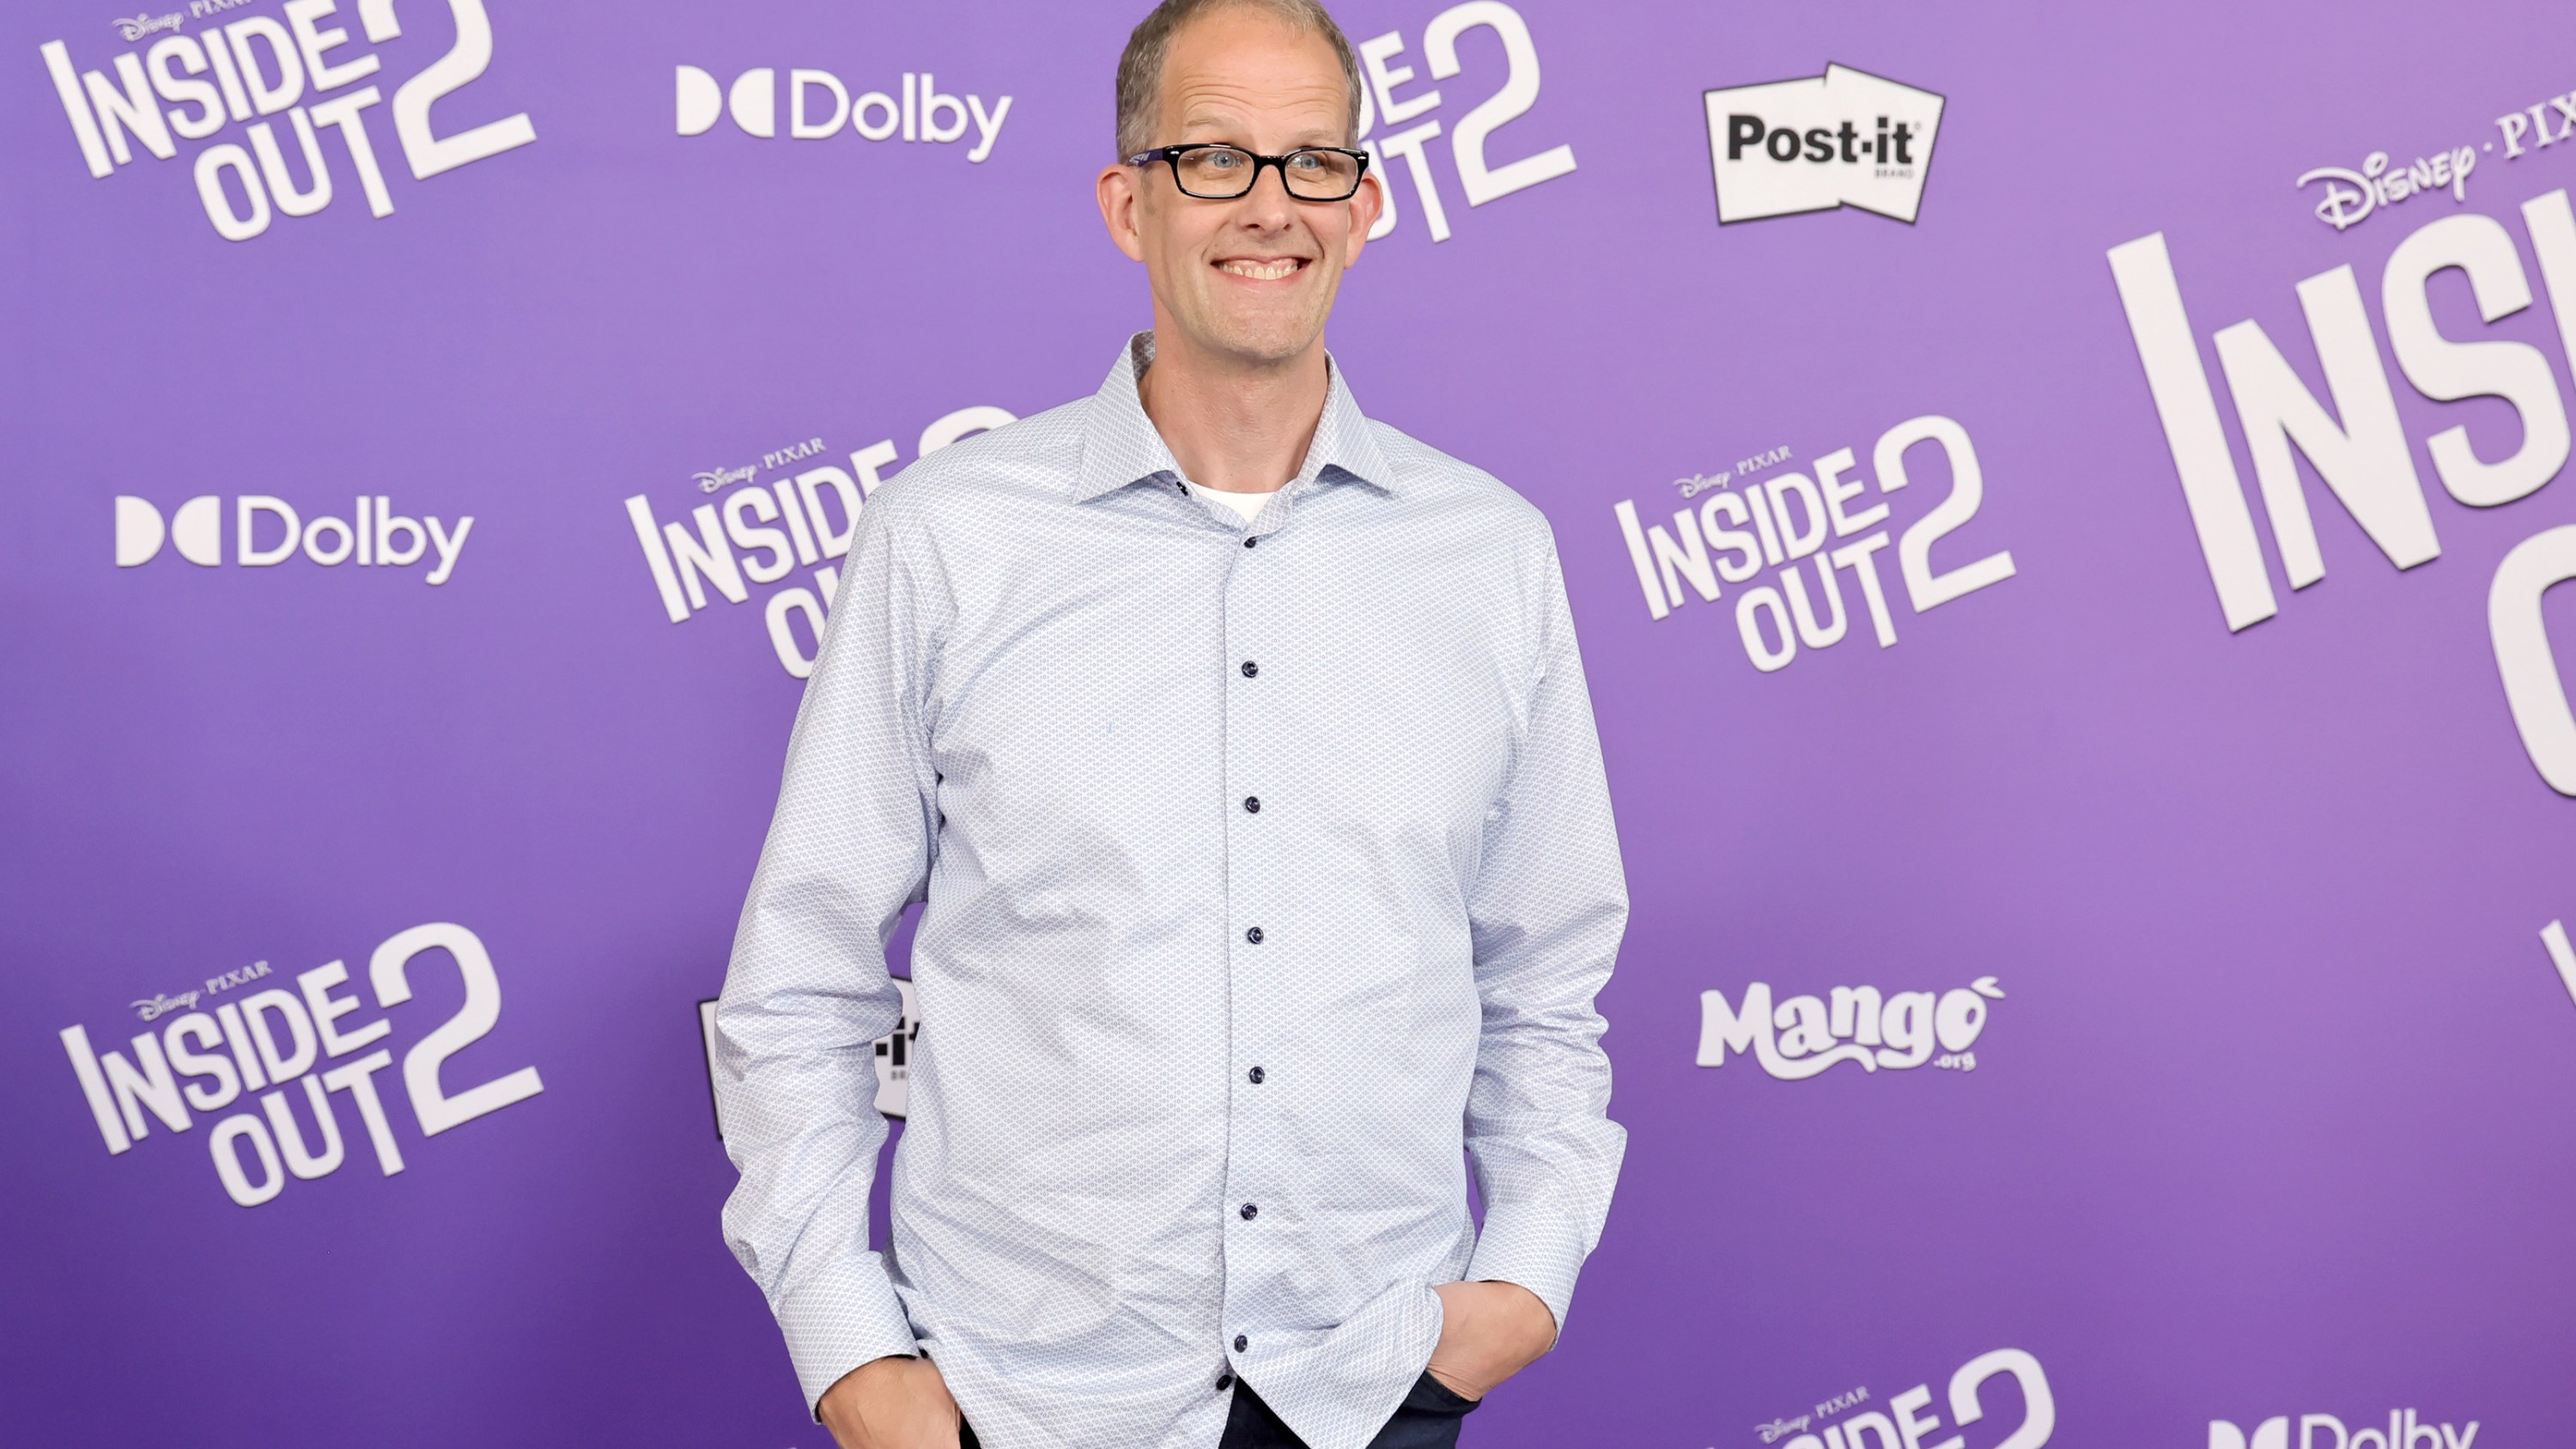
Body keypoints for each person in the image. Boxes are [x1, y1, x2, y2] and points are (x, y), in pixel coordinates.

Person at [711, 2, 1627, 1446]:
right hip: (1018, 1401)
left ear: (1368, 202)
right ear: (1127, 202)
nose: (1270, 206)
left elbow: (1548, 976)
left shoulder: (1491, 555)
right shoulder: (949, 538)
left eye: (1314, 160)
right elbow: (803, 979)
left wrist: (1522, 1281)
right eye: (1212, 157)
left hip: (1370, 1383)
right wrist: (850, 1351)